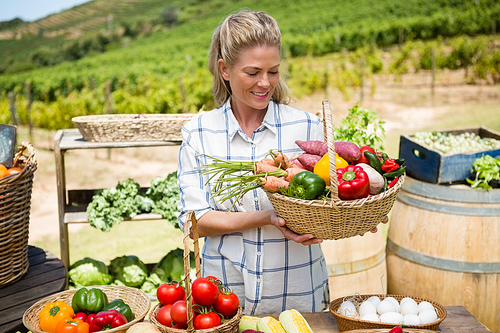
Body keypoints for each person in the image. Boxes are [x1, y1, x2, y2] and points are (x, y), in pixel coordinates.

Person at [177, 10, 383, 315]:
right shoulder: (199, 133)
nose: (265, 83)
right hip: (223, 294)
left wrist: (349, 219)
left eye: (273, 71)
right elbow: (193, 224)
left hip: (298, 290)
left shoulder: (305, 128)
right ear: (224, 69)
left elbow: (328, 202)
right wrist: (268, 217)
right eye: (253, 72)